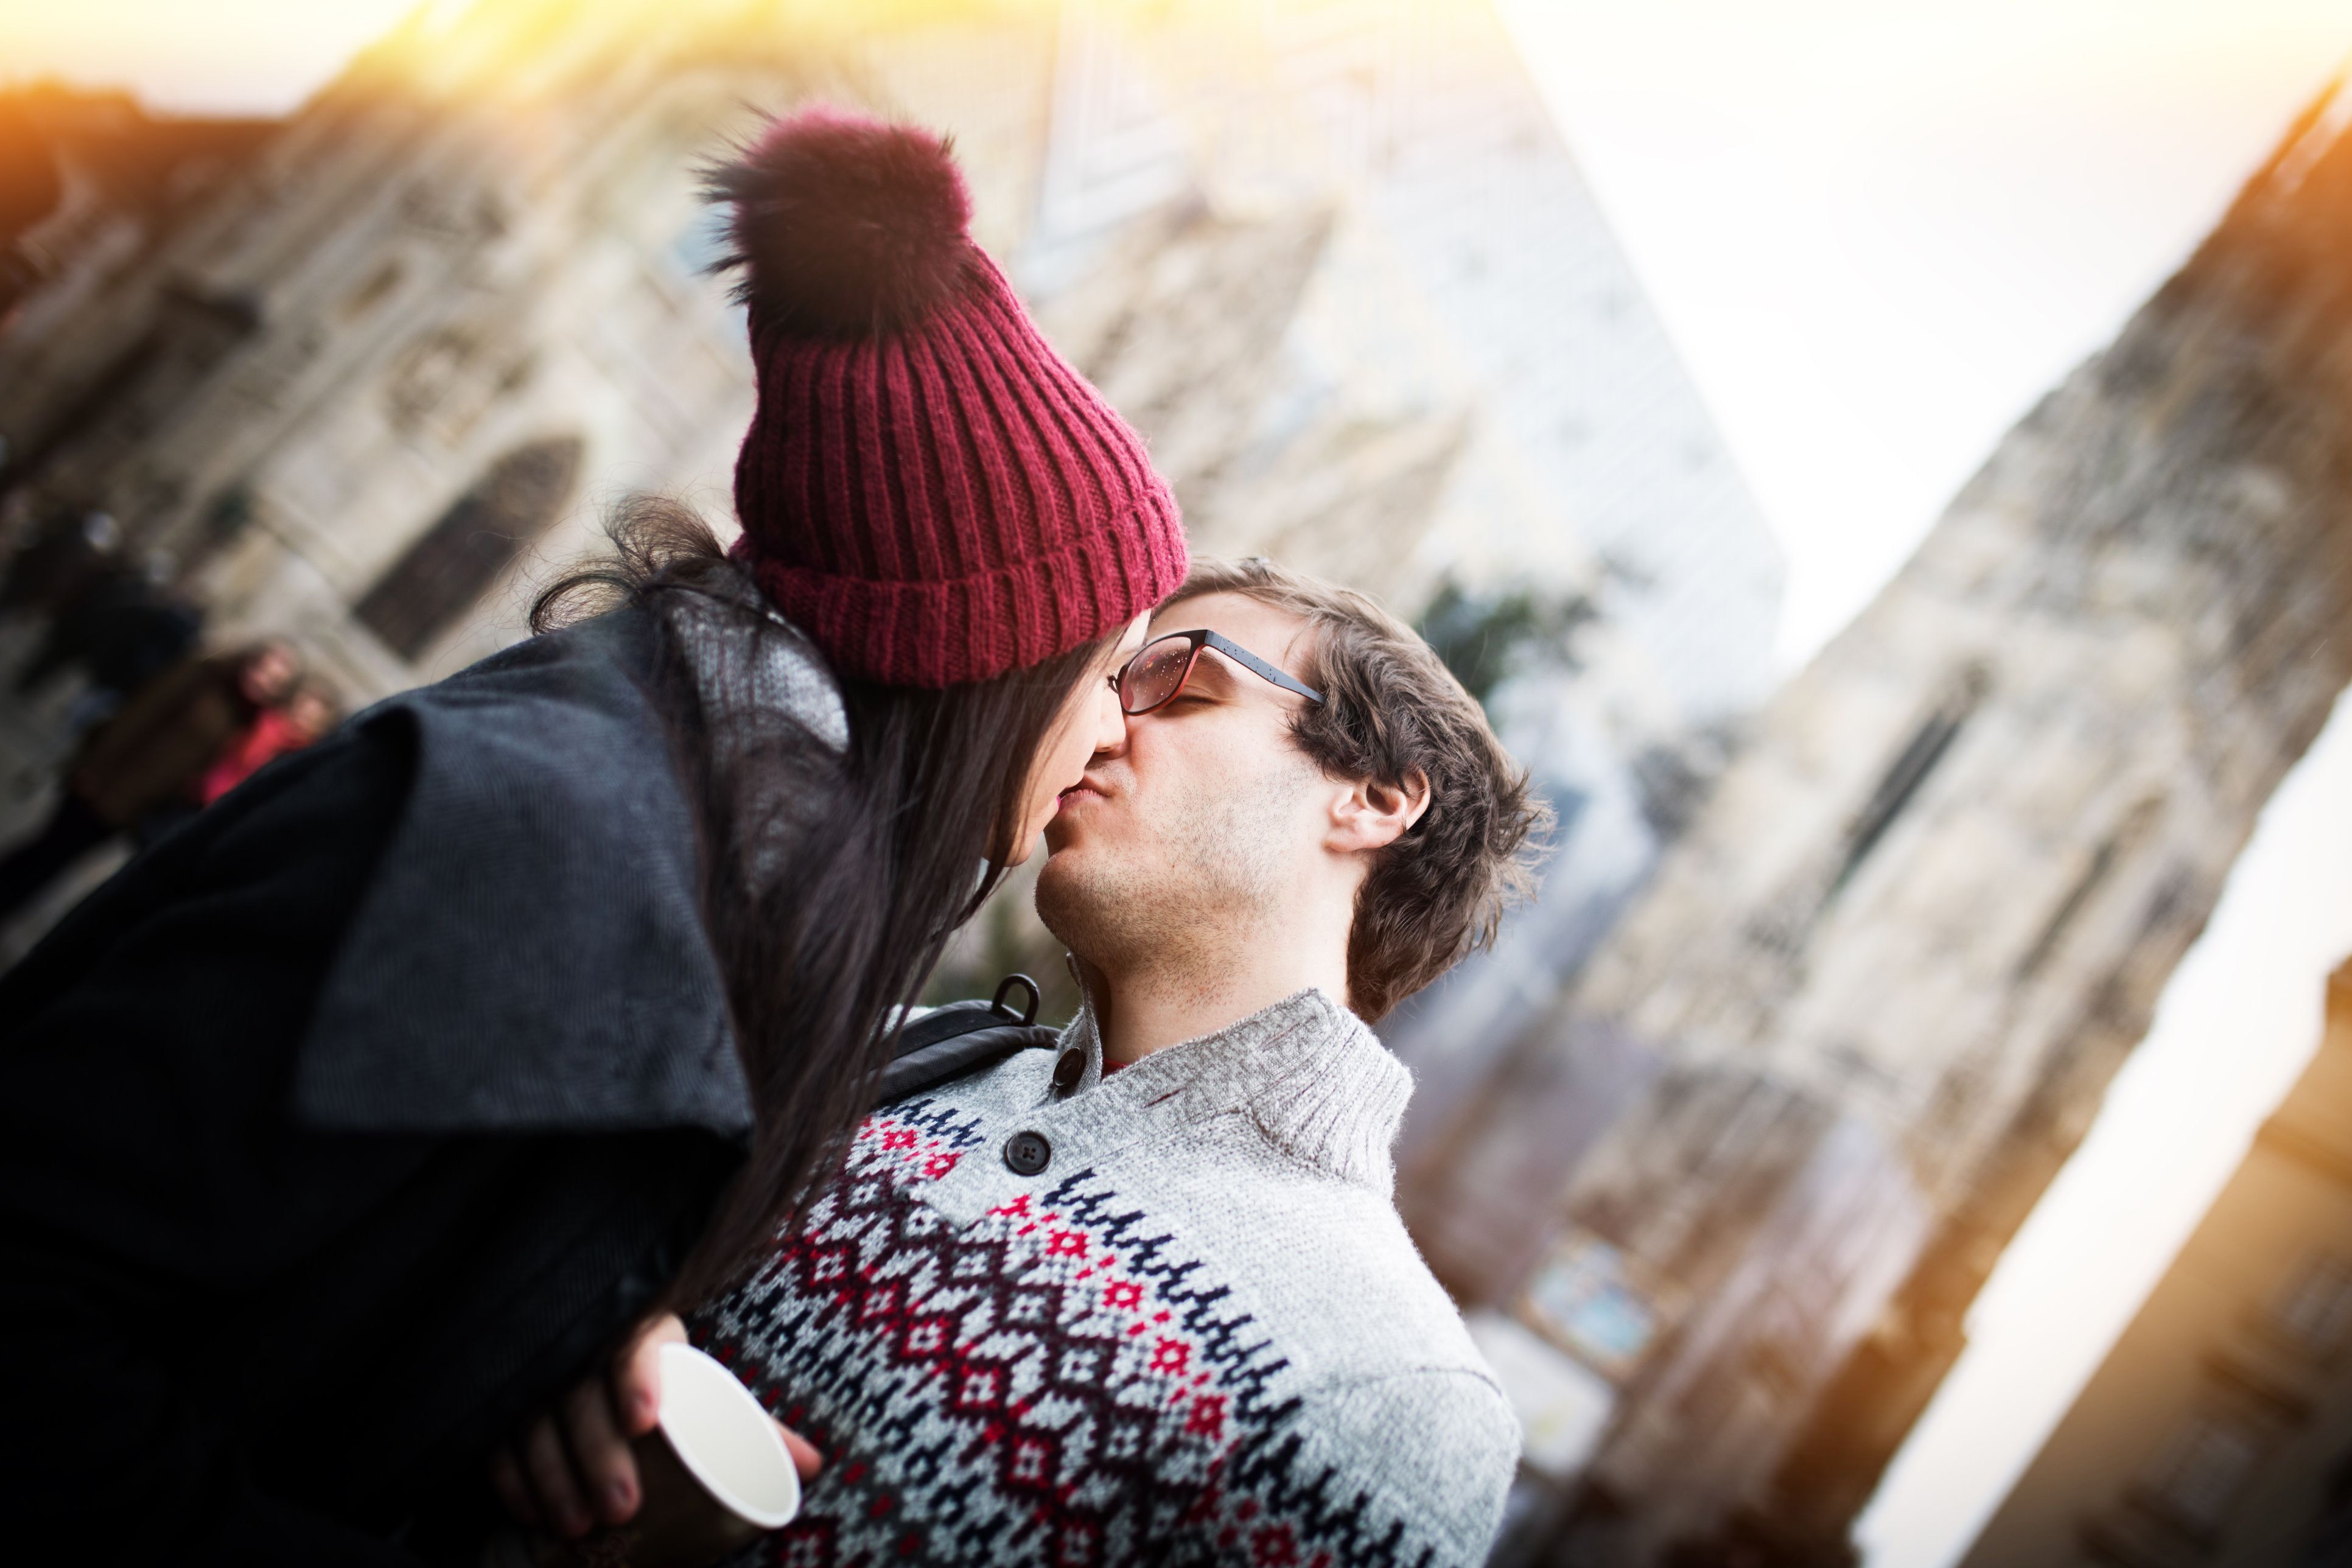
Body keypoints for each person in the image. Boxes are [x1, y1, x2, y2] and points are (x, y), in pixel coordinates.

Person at [0, 106, 1186, 1566]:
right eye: (1114, 662)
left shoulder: (701, 854)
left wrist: (557, 1322)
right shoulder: (558, 842)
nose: (1122, 723)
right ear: (979, 666)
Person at [678, 556, 1550, 1564]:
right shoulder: (893, 1042)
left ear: (1371, 798)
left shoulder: (1393, 1387)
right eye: (1102, 681)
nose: (1093, 725)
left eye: (1174, 682)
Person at [0, 638, 296, 922]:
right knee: (44, 853)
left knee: (56, 864)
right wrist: (96, 767)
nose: (263, 682)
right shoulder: (205, 676)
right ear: (249, 661)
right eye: (263, 670)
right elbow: (140, 715)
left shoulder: (246, 721)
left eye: (275, 682)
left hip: (131, 810)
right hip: (106, 784)